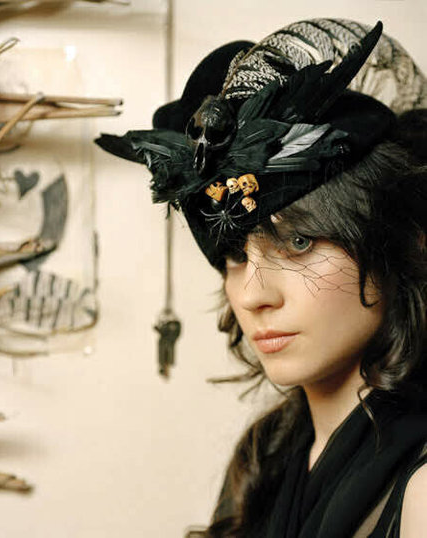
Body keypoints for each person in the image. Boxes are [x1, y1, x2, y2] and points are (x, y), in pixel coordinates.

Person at [95, 18, 427, 538]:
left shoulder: (421, 490)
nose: (252, 296)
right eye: (233, 254)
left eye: (299, 243)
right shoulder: (264, 458)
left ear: (395, 245)